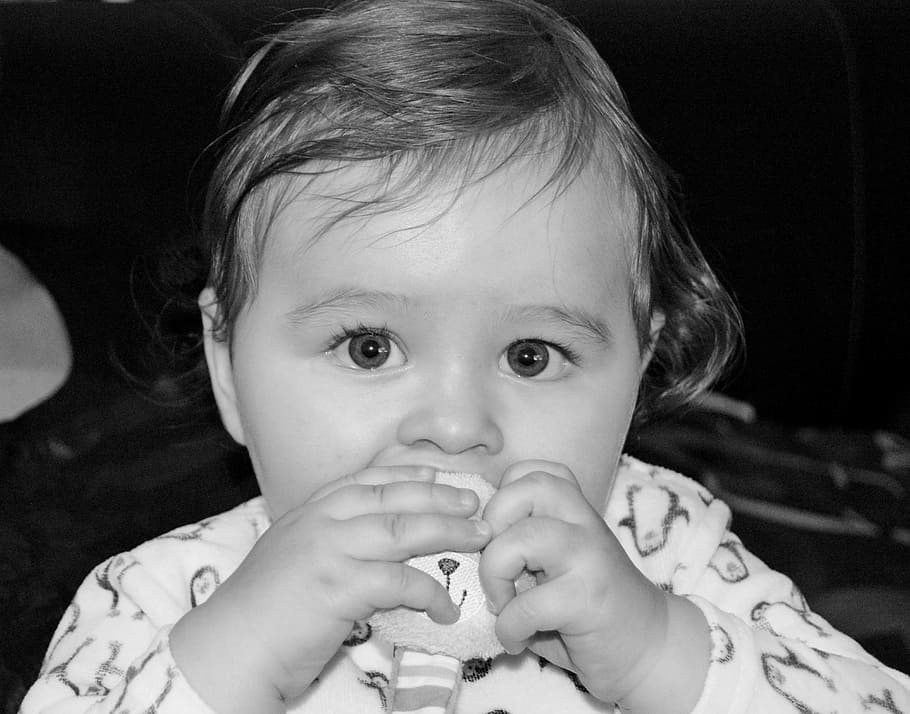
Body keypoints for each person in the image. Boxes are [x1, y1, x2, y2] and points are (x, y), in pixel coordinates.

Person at [20, 0, 910, 712]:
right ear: (227, 368)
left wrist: (662, 657)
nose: (454, 428)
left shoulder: (667, 552)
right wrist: (235, 660)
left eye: (530, 355)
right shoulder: (158, 601)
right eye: (369, 347)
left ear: (638, 372)